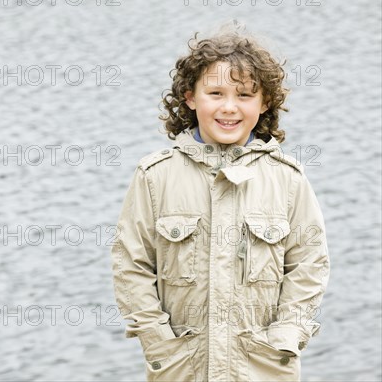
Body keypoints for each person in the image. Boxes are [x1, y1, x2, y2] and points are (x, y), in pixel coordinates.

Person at [110, 23, 330, 382]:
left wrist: (287, 336)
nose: (229, 108)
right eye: (215, 93)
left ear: (264, 103)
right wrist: (158, 343)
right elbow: (131, 266)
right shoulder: (155, 176)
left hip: (263, 367)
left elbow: (309, 266)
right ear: (190, 97)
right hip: (181, 368)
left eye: (244, 95)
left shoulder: (288, 179)